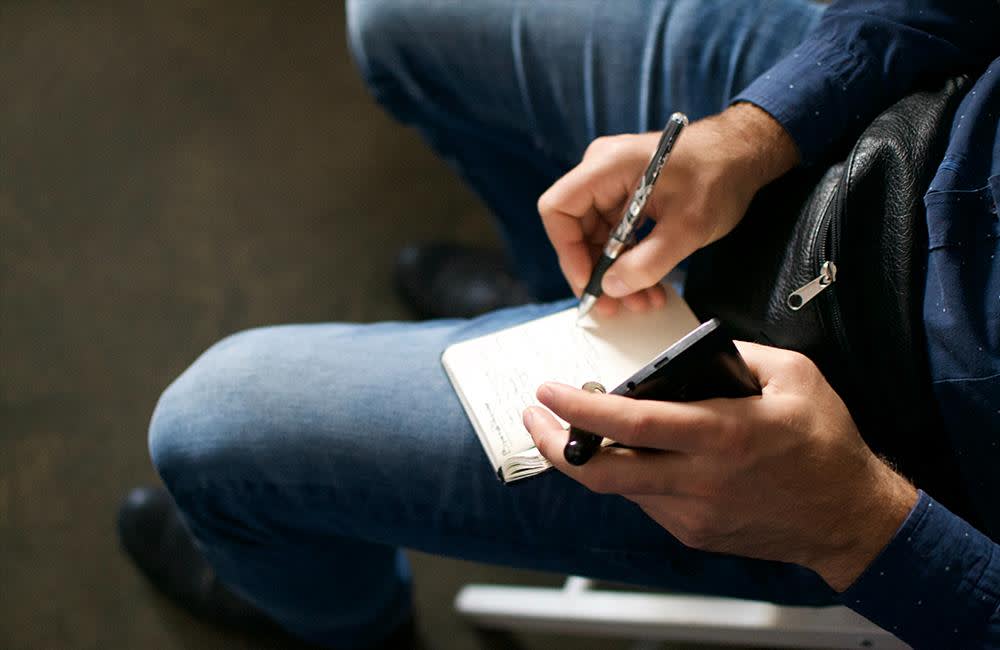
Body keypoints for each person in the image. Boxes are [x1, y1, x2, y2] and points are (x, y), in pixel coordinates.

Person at [117, 1, 1000, 648]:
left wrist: (853, 523)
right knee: (399, 19)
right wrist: (757, 129)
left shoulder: (856, 502)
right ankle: (574, 309)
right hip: (920, 123)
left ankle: (335, 625)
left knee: (214, 429)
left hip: (883, 448)